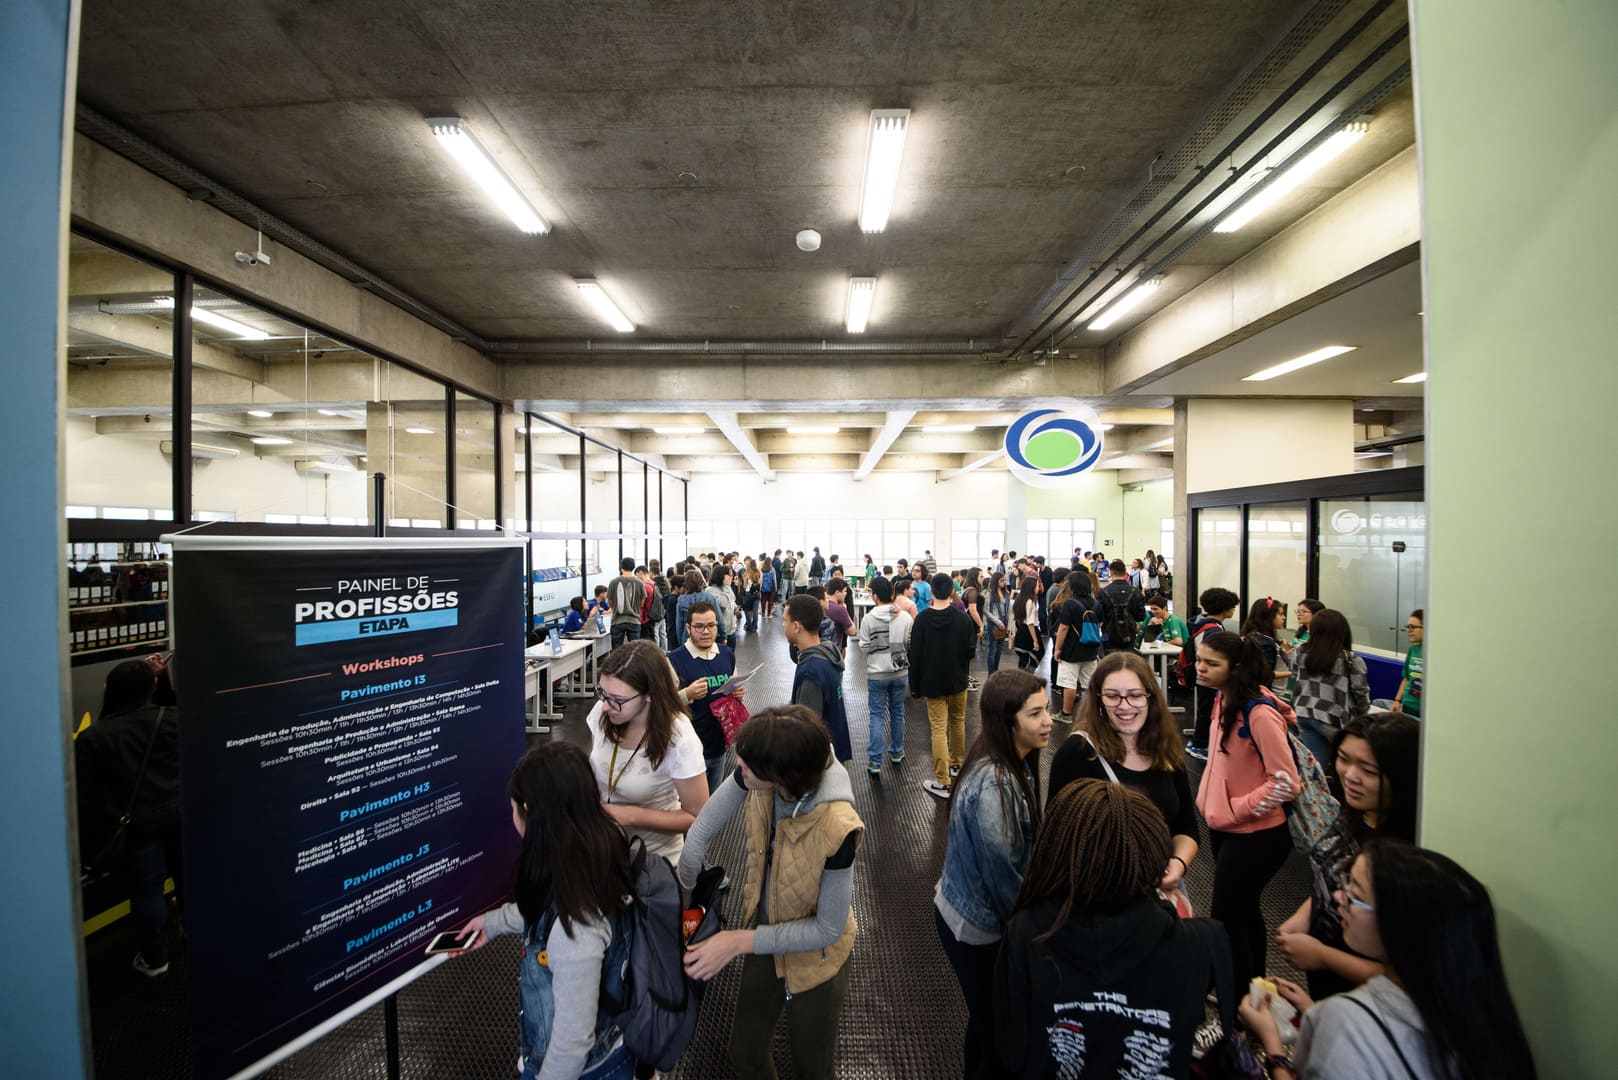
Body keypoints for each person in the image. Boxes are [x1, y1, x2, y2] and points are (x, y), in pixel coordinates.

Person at [1240, 841, 1537, 1080]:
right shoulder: (1485, 1020)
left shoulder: (1343, 1025)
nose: (1339, 898)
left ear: (1398, 924)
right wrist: (1312, 1010)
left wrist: (1273, 1045)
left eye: (1354, 894)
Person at [994, 779, 1229, 1080]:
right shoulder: (1204, 943)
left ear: (1059, 853)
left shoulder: (1028, 933)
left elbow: (1011, 1046)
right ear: (1154, 858)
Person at [678, 707, 863, 1080]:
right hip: (764, 934)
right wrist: (685, 898)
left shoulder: (838, 826)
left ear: (779, 777)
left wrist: (735, 942)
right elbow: (700, 832)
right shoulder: (763, 769)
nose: (739, 771)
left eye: (747, 768)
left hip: (818, 960)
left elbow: (828, 929)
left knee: (813, 1067)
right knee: (745, 1055)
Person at [461, 742, 637, 1080]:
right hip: (611, 1045)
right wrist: (494, 922)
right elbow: (547, 907)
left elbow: (571, 1045)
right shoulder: (597, 849)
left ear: (530, 811)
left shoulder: (576, 932)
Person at [934, 670, 1050, 1078]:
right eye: (1036, 714)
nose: (1049, 721)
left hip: (966, 912)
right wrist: (1037, 934)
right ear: (1008, 720)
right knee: (1002, 1034)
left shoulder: (1010, 762)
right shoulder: (995, 786)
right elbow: (1004, 880)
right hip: (977, 926)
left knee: (987, 1016)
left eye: (1046, 710)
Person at [1276, 714, 1420, 1000]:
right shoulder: (1354, 815)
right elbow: (1335, 872)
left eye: (1368, 770)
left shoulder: (1409, 856)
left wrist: (1324, 956)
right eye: (1343, 759)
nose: (1350, 775)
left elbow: (1409, 975)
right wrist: (1308, 912)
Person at [1047, 651, 1199, 903]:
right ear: (1098, 699)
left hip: (1160, 891)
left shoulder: (1166, 749)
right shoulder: (1078, 754)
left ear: (1150, 697)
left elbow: (1186, 827)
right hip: (1101, 899)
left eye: (1136, 695)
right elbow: (1057, 838)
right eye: (1112, 696)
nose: (1125, 706)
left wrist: (1178, 863)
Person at [1194, 630, 1299, 991]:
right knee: (1244, 913)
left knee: (1226, 918)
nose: (1200, 669)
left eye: (1211, 664)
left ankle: (1234, 1000)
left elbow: (1286, 782)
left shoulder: (1258, 713)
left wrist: (1236, 808)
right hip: (1227, 827)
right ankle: (1250, 990)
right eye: (1200, 660)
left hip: (1257, 835)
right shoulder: (1224, 700)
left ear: (1235, 667)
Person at [75, 657, 183, 977]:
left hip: (136, 825)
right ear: (150, 687)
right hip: (179, 815)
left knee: (147, 891)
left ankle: (155, 959)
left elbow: (87, 793)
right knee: (188, 880)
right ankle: (194, 937)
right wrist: (162, 680)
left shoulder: (96, 736)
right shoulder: (174, 720)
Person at [587, 642, 708, 864]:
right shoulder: (603, 713)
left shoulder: (679, 738)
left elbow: (697, 815)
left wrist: (631, 816)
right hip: (604, 854)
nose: (605, 706)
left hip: (653, 866)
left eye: (618, 700)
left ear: (650, 694)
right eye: (603, 693)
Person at [667, 600, 748, 795]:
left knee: (712, 801)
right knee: (689, 808)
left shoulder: (726, 654)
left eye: (711, 626)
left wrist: (738, 694)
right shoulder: (675, 660)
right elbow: (662, 705)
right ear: (688, 628)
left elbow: (733, 688)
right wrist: (687, 694)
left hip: (718, 745)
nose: (706, 631)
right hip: (687, 749)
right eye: (699, 626)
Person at [910, 573, 978, 798]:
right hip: (958, 680)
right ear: (952, 592)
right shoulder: (963, 619)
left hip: (932, 682)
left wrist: (914, 686)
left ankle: (942, 781)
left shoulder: (922, 620)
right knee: (958, 722)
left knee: (938, 729)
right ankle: (956, 765)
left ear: (931, 592)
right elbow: (970, 652)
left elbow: (916, 656)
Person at [1291, 608, 1371, 765]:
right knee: (1346, 765)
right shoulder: (1351, 659)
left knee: (1315, 768)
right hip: (1333, 719)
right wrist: (1362, 714)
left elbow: (1295, 677)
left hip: (1304, 714)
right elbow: (1360, 691)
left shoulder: (1300, 652)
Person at [785, 593, 852, 763]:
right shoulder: (829, 653)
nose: (782, 626)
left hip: (817, 761)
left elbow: (806, 729)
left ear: (796, 626)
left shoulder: (811, 670)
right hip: (834, 747)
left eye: (784, 621)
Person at [857, 576, 912, 776]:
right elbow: (909, 643)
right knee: (898, 713)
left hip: (877, 674)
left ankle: (875, 762)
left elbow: (864, 647)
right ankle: (897, 752)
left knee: (877, 716)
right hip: (900, 672)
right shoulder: (905, 616)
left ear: (874, 596)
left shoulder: (869, 618)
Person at [1185, 586, 1241, 760]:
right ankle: (1200, 745)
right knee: (1207, 711)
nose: (1233, 610)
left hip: (1200, 674)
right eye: (1232, 607)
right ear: (1225, 608)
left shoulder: (1199, 622)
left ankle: (1198, 741)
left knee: (1204, 709)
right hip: (1209, 677)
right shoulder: (1213, 630)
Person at [1050, 571, 1101, 724]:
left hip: (1071, 650)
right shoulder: (1096, 603)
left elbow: (1063, 628)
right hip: (1091, 649)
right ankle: (1092, 715)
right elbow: (1100, 624)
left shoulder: (1070, 604)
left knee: (1069, 683)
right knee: (1090, 684)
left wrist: (1057, 649)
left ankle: (1066, 714)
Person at [1096, 559, 1147, 655]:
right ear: (1125, 572)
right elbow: (1141, 616)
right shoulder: (1135, 591)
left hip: (1109, 635)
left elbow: (1098, 615)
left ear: (1110, 572)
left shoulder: (1103, 592)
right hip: (1129, 634)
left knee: (1111, 663)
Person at [1242, 596, 1293, 690]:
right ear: (1268, 616)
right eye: (1280, 614)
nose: (1284, 618)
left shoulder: (1253, 636)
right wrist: (1293, 673)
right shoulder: (1265, 643)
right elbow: (1264, 674)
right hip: (1270, 692)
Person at [1389, 609, 1423, 718]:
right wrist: (1397, 700)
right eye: (1408, 627)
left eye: (1412, 627)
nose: (1408, 630)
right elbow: (1406, 678)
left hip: (1423, 710)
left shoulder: (1435, 653)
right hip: (1407, 705)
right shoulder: (1413, 649)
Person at [605, 557, 644, 649]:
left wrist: (615, 608)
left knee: (617, 650)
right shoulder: (639, 583)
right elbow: (642, 602)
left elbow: (610, 601)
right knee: (634, 650)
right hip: (634, 620)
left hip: (617, 620)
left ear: (621, 567)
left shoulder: (613, 582)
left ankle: (618, 664)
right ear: (633, 567)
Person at [702, 564, 738, 647]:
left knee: (731, 657)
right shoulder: (710, 590)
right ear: (722, 576)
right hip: (720, 633)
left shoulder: (727, 587)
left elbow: (732, 601)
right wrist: (726, 586)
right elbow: (723, 604)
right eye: (730, 575)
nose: (731, 577)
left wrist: (736, 608)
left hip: (731, 630)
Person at [1011, 575, 1041, 671]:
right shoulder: (1030, 601)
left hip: (1021, 631)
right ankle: (1026, 677)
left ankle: (1021, 679)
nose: (1038, 588)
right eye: (1037, 586)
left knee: (1023, 658)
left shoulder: (1020, 599)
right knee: (1037, 654)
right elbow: (1030, 623)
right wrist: (1035, 640)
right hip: (1029, 631)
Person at [984, 571, 1010, 673]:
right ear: (996, 581)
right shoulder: (990, 593)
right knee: (992, 650)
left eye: (1004, 580)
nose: (1004, 582)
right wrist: (998, 622)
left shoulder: (1006, 593)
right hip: (994, 623)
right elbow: (986, 610)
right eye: (1001, 580)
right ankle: (991, 673)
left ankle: (996, 670)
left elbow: (1008, 609)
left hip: (1004, 621)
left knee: (999, 650)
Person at [673, 569, 706, 646]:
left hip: (688, 635)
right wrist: (722, 635)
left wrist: (680, 640)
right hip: (706, 633)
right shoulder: (710, 598)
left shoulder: (681, 600)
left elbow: (679, 623)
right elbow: (718, 618)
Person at [823, 577, 855, 655]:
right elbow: (852, 631)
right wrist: (845, 610)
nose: (846, 594)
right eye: (844, 591)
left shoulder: (820, 605)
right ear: (837, 592)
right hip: (833, 652)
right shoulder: (840, 610)